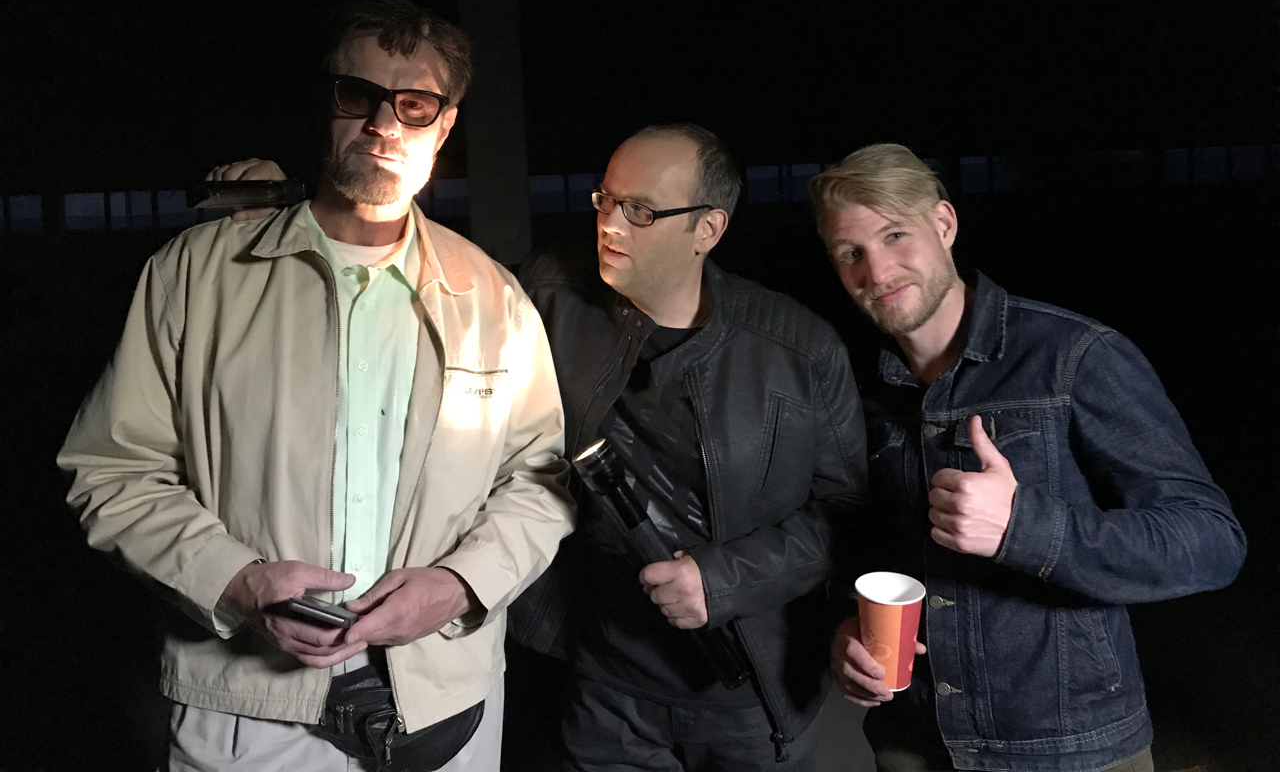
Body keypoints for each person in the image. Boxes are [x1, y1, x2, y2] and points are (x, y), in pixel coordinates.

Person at [57, 0, 574, 772]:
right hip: (248, 709)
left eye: (415, 105)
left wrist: (461, 585)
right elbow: (111, 468)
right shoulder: (195, 277)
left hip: (441, 705)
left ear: (444, 127)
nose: (383, 124)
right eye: (357, 96)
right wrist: (237, 582)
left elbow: (540, 481)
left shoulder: (494, 299)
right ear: (327, 103)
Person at [811, 143, 1247, 772]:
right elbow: (852, 542)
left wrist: (1025, 526)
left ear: (944, 224)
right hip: (914, 742)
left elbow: (1212, 541)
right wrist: (843, 628)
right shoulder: (857, 390)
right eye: (850, 252)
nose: (876, 271)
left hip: (1071, 749)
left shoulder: (1072, 356)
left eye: (894, 235)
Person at [510, 124, 869, 770]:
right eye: (605, 199)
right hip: (604, 690)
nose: (610, 223)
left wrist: (723, 578)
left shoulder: (799, 351)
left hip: (749, 695)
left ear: (707, 229)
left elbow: (845, 513)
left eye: (641, 210)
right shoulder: (550, 297)